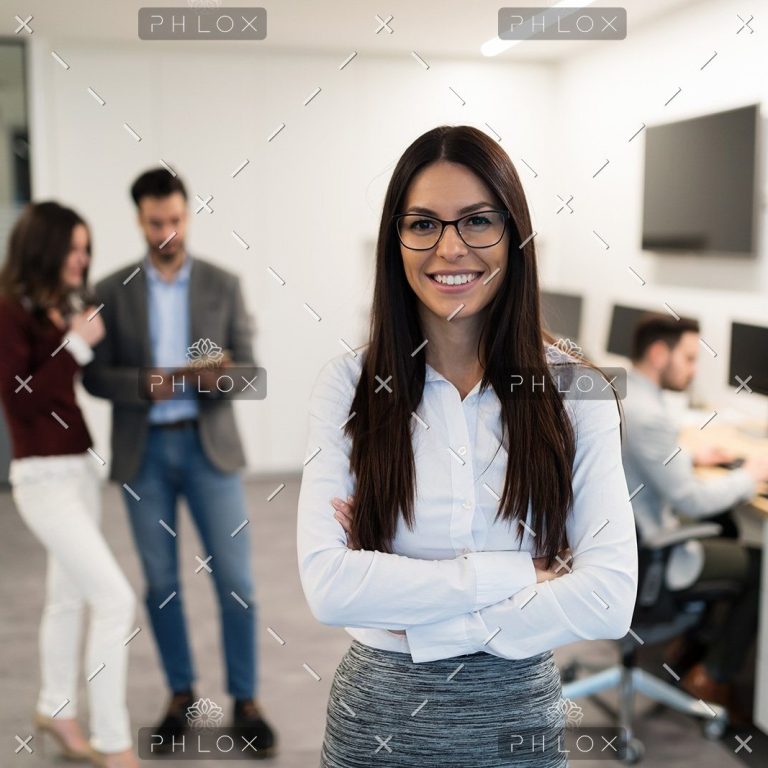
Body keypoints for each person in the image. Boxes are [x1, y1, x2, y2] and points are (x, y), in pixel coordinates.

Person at [296, 125, 639, 766]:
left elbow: (609, 599)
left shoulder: (576, 393)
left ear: (513, 234)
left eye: (477, 221)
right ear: (395, 241)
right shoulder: (347, 388)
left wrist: (418, 611)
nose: (450, 248)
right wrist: (520, 574)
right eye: (423, 224)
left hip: (518, 723)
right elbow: (331, 587)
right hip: (379, 724)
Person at [81, 169, 275, 757]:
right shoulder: (112, 289)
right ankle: (180, 695)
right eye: (155, 222)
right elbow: (93, 374)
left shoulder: (223, 284)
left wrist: (217, 377)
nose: (167, 232)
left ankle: (245, 700)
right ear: (139, 220)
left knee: (237, 582)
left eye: (176, 220)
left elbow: (254, 375)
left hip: (208, 448)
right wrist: (152, 383)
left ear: (188, 215)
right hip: (145, 456)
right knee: (161, 584)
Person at [0, 202, 138, 767]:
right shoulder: (8, 310)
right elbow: (21, 398)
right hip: (42, 478)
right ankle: (115, 743)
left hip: (79, 468)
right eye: (73, 249)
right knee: (115, 599)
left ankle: (55, 707)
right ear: (45, 248)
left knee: (69, 598)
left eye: (87, 249)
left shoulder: (55, 306)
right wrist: (76, 345)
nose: (82, 259)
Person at [621, 313, 768, 713]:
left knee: (724, 527)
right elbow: (690, 501)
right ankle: (712, 676)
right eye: (688, 358)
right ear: (658, 354)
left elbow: (648, 460)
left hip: (623, 542)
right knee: (759, 566)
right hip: (650, 548)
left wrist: (690, 455)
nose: (694, 370)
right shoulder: (651, 416)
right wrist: (749, 476)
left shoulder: (621, 393)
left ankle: (689, 642)